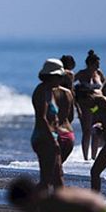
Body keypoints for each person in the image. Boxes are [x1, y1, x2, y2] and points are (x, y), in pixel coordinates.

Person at [31, 59, 65, 189]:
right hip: (44, 138)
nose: (61, 81)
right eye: (59, 77)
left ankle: (54, 207)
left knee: (56, 176)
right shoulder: (42, 91)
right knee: (50, 178)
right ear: (52, 77)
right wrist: (53, 140)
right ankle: (36, 205)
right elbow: (42, 117)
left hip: (49, 137)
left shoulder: (49, 91)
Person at [74, 50, 105, 160]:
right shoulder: (82, 73)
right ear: (90, 64)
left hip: (96, 106)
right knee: (86, 131)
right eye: (96, 64)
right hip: (85, 106)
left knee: (96, 131)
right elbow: (69, 84)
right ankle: (85, 158)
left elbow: (104, 85)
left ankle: (94, 157)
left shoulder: (99, 73)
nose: (98, 66)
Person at [53, 74, 75, 164]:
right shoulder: (69, 93)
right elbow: (71, 116)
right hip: (69, 134)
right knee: (58, 169)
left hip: (55, 134)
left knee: (49, 169)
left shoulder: (50, 91)